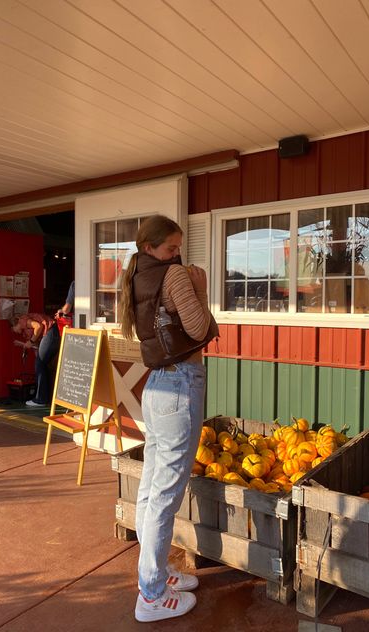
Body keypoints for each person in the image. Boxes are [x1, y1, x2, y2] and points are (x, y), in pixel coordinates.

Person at [120, 215, 218, 623]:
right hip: (180, 384)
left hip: (157, 385)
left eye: (177, 247)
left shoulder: (137, 276)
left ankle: (155, 575)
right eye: (171, 248)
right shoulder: (175, 277)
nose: (177, 254)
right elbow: (199, 329)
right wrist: (202, 289)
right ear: (150, 247)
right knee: (164, 494)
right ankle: (152, 595)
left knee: (151, 485)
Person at [10, 312, 60, 407]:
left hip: (50, 331)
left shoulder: (22, 321)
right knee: (41, 364)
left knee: (40, 364)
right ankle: (43, 397)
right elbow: (35, 344)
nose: (15, 332)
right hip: (51, 333)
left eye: (13, 329)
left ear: (15, 323)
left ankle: (41, 399)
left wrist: (31, 341)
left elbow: (38, 326)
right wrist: (24, 344)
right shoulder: (25, 331)